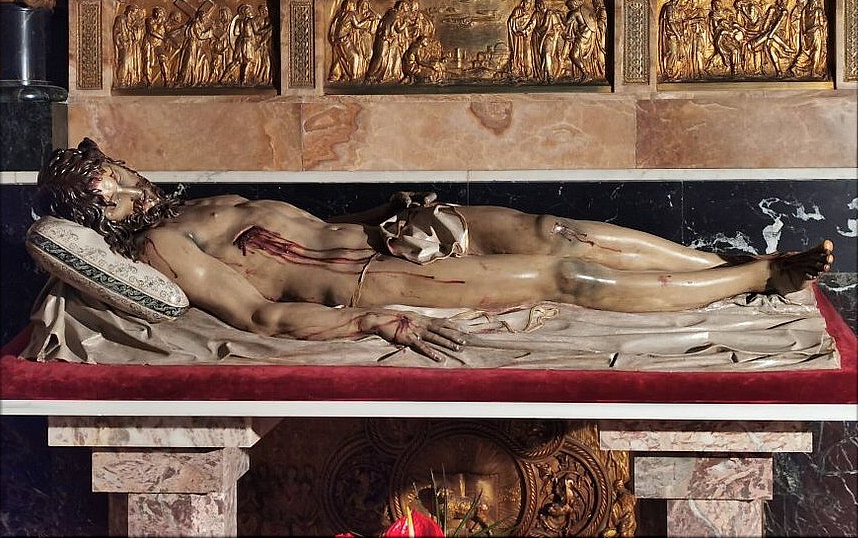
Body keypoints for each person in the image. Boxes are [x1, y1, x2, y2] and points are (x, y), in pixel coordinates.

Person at [33, 140, 835, 362]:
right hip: (372, 278)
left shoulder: (190, 204)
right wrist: (374, 322)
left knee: (555, 229)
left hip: (391, 232)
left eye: (115, 163)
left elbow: (315, 222)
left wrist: (393, 209)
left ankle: (728, 272)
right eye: (111, 178)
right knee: (566, 273)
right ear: (102, 206)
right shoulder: (165, 244)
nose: (126, 172)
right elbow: (260, 313)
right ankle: (759, 272)